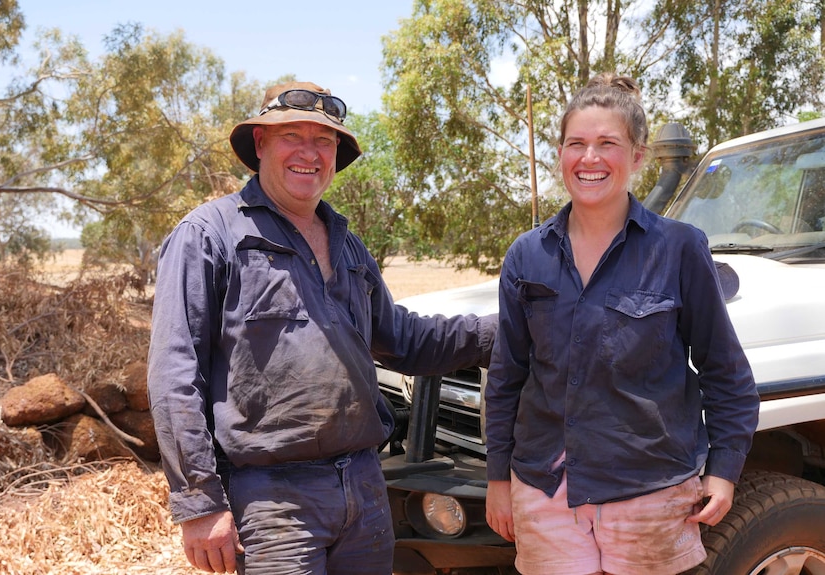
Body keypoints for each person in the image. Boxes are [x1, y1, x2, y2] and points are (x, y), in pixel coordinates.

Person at [146, 80, 496, 575]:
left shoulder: (348, 247)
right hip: (273, 502)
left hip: (364, 489)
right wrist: (199, 502)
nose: (309, 153)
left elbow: (404, 340)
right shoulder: (209, 235)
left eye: (325, 141)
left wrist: (501, 331)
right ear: (261, 144)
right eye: (293, 135)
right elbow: (173, 375)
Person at [483, 73, 760, 575]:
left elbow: (725, 370)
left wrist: (724, 470)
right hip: (546, 491)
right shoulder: (527, 255)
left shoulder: (678, 247)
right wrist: (498, 479)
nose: (590, 159)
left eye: (607, 143)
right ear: (561, 155)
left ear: (637, 157)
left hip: (650, 491)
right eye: (576, 144)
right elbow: (506, 378)